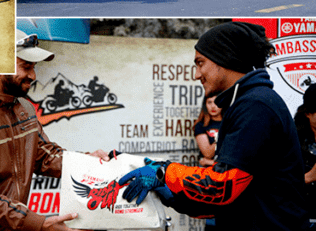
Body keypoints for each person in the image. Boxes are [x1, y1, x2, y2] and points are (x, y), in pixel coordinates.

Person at [119, 22, 309, 231]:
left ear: (225, 58)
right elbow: (225, 201)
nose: (196, 74)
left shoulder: (255, 105)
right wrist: (171, 194)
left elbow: (222, 186)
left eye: (200, 63)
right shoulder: (246, 102)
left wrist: (164, 172)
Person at [0, 29, 110, 230]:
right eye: (26, 67)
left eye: (33, 67)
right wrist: (39, 224)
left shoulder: (24, 108)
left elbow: (44, 157)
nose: (33, 75)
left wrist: (86, 162)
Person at [295, 84, 316, 222]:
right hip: (301, 217)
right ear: (308, 113)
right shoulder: (292, 142)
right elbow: (278, 185)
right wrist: (309, 177)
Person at [194, 94, 222, 168]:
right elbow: (208, 153)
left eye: (216, 102)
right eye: (209, 102)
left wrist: (210, 162)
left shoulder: (230, 123)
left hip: (228, 170)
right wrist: (223, 135)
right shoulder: (201, 125)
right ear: (205, 105)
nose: (213, 106)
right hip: (207, 170)